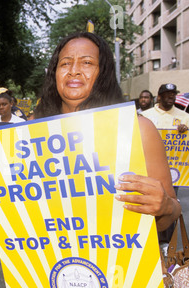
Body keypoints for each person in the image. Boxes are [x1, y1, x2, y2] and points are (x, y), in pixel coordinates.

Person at [32, 32, 180, 234]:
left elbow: (169, 215)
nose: (74, 71)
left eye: (87, 63)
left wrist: (165, 207)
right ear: (54, 73)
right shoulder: (31, 131)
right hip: (47, 260)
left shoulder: (139, 129)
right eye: (65, 63)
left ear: (103, 72)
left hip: (121, 261)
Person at [141, 83, 189, 248]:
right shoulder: (146, 116)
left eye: (173, 94)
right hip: (150, 169)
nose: (171, 97)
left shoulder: (184, 116)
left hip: (175, 170)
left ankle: (166, 243)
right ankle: (150, 240)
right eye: (167, 94)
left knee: (170, 202)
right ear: (159, 97)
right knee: (150, 203)